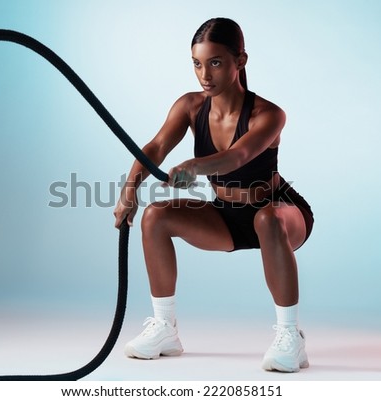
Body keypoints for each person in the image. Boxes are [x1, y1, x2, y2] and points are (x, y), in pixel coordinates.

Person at [113, 17, 314, 373]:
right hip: (225, 215)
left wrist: (194, 165)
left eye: (216, 63)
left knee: (267, 220)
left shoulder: (268, 115)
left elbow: (237, 156)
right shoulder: (190, 106)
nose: (205, 75)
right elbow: (156, 147)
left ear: (241, 61)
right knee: (155, 215)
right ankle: (165, 328)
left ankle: (290, 338)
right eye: (197, 64)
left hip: (277, 209)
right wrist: (130, 191)